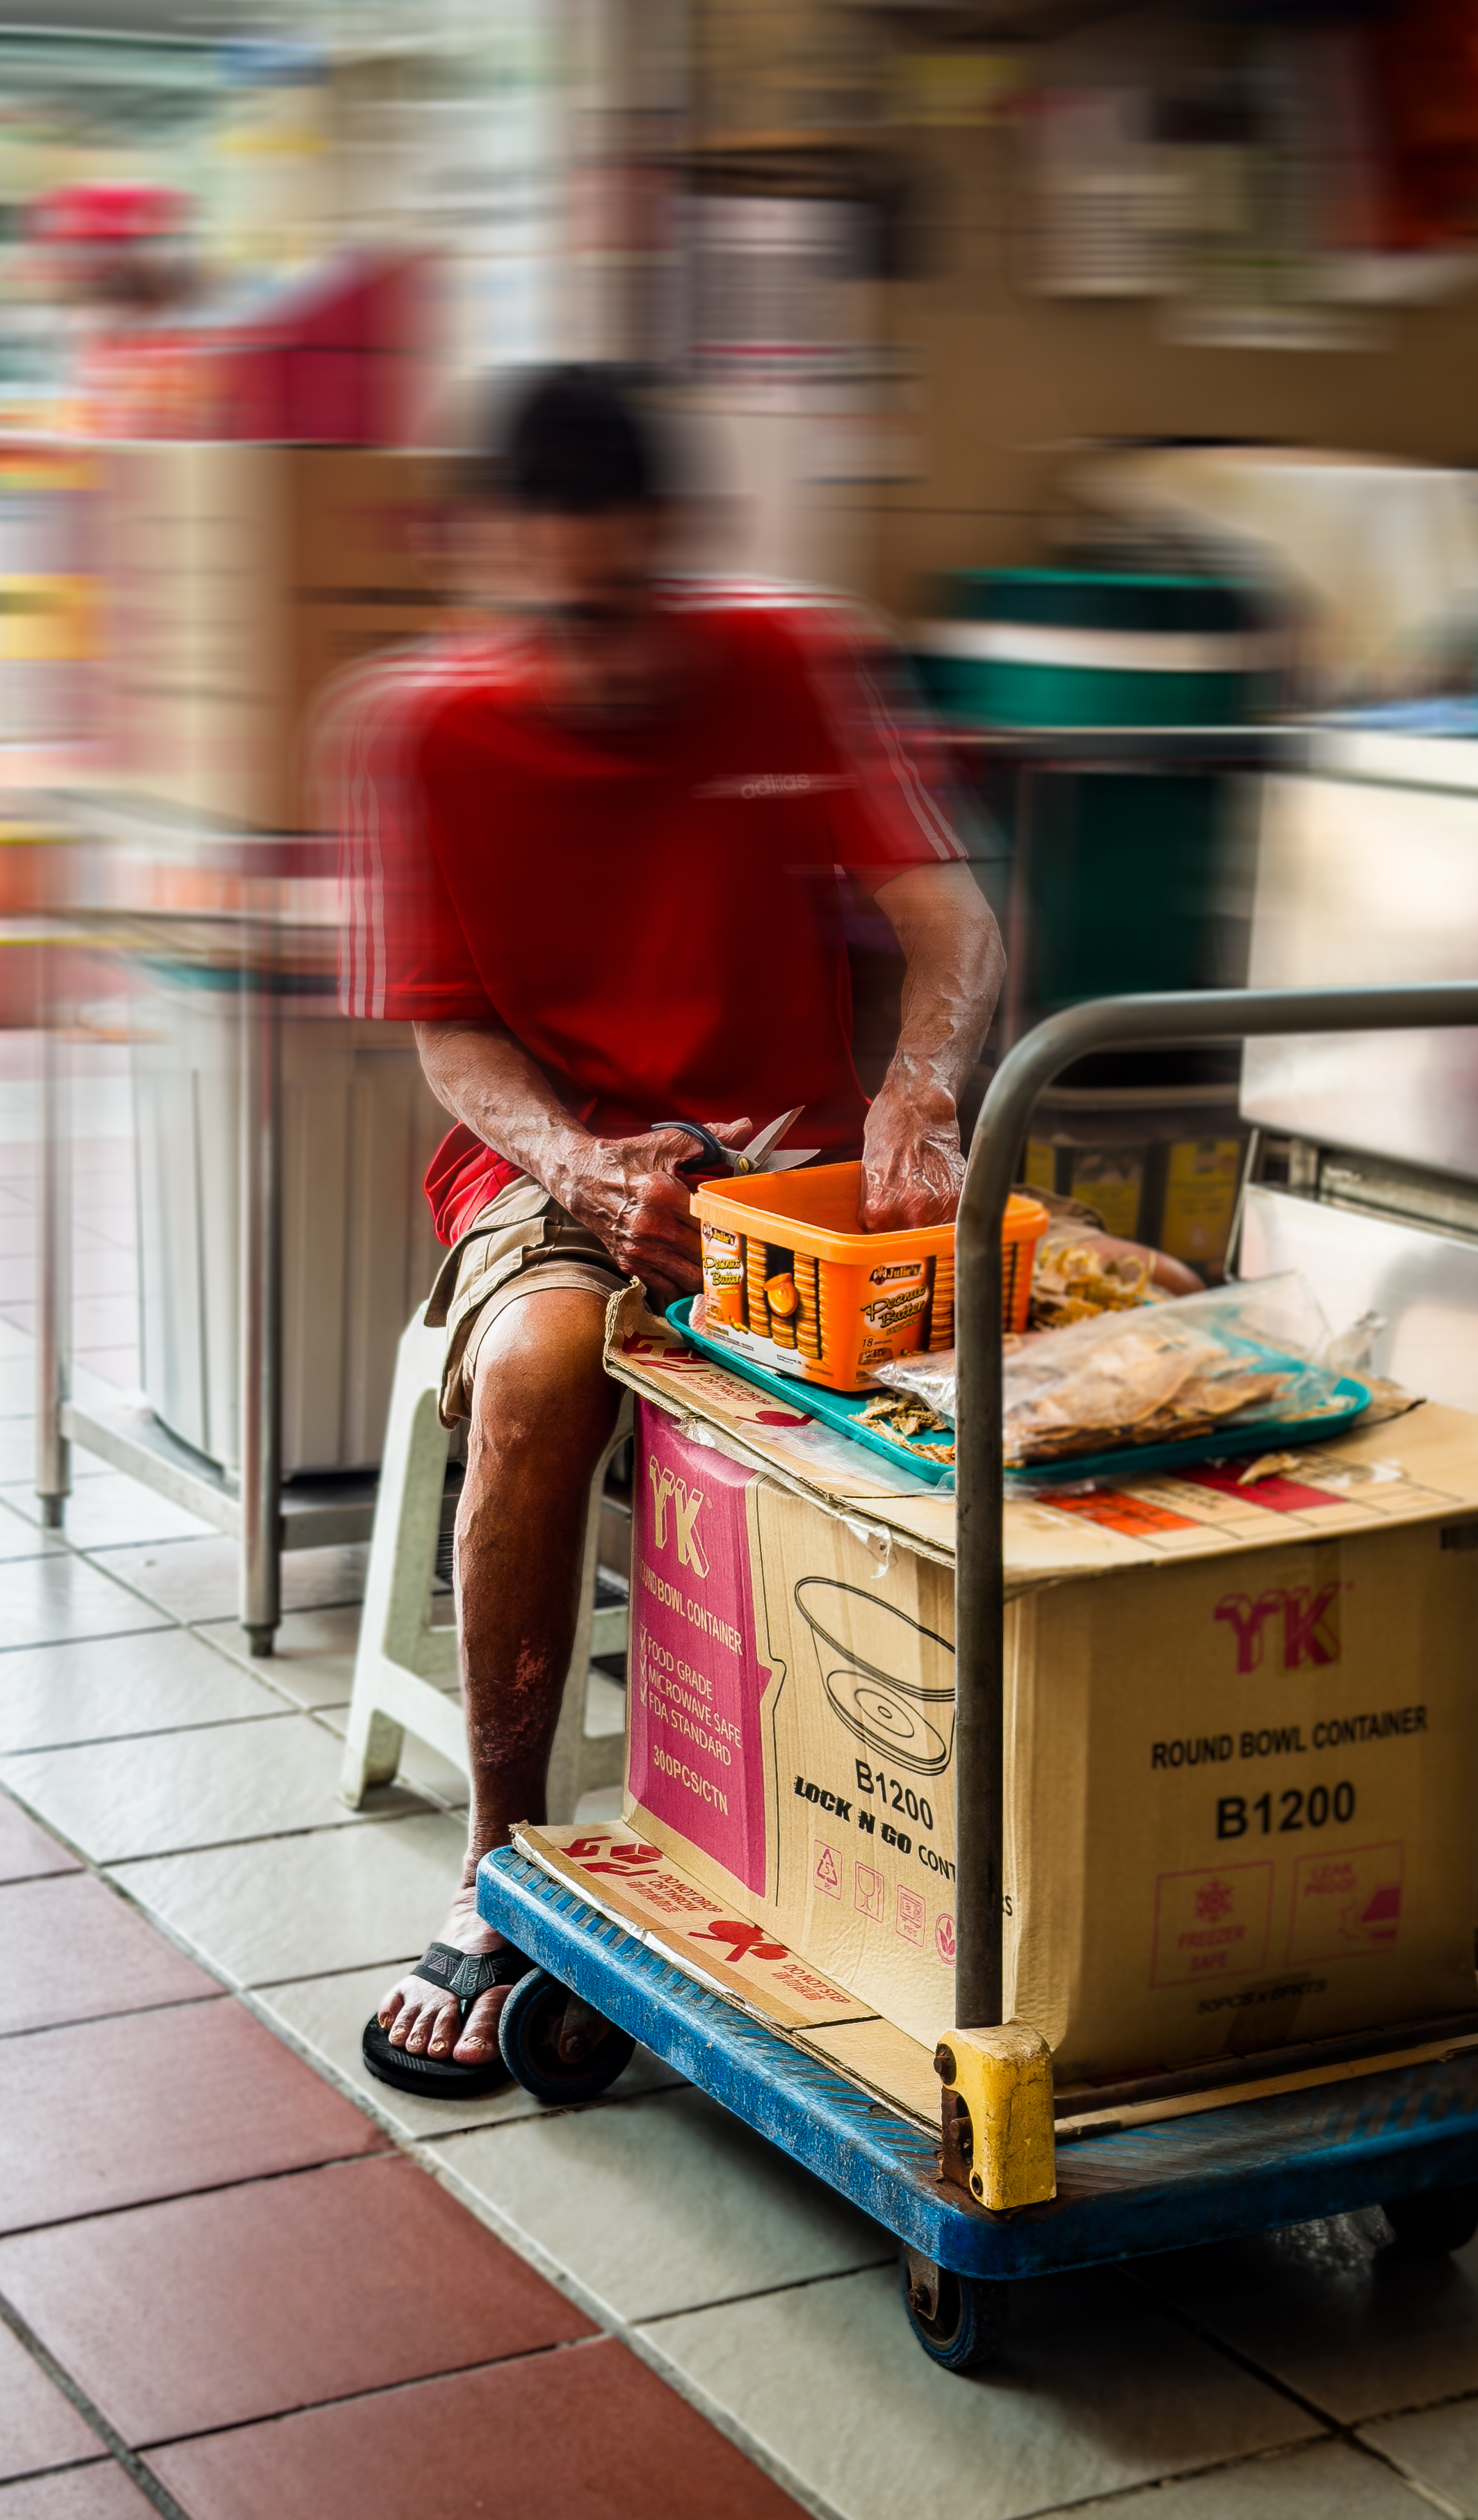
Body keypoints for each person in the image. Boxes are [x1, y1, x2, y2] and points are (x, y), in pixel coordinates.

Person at [332, 366, 1004, 2096]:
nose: (605, 652)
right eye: (561, 610)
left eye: (629, 600)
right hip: (558, 1166)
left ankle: (911, 1871)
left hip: (785, 1163)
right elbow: (448, 1033)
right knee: (548, 1364)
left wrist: (915, 1095)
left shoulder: (790, 657)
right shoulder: (414, 729)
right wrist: (579, 1160)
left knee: (1008, 1364)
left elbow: (953, 924)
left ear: (676, 555)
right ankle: (501, 1868)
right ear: (495, 568)